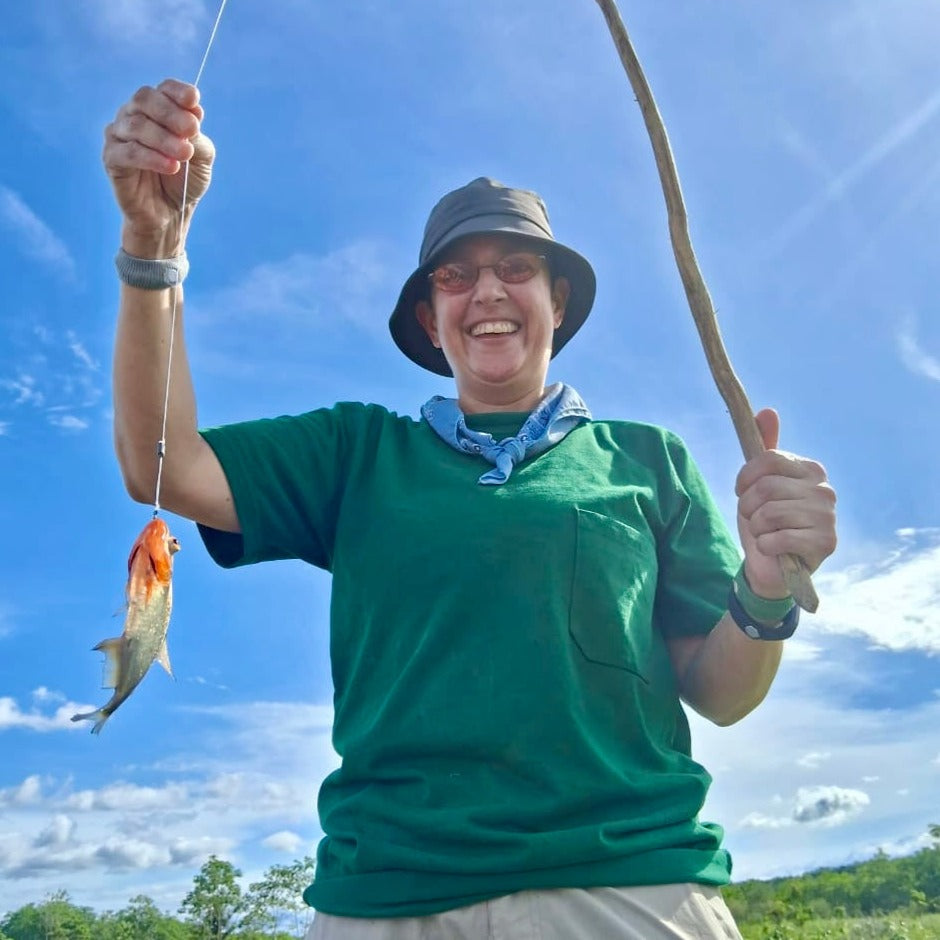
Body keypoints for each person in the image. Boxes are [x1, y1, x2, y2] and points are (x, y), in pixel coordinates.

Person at [103, 78, 837, 940]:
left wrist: (763, 584)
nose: (487, 291)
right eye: (457, 276)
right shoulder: (357, 452)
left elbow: (721, 695)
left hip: (627, 884)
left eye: (517, 269)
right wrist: (155, 245)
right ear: (431, 316)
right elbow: (164, 463)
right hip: (385, 894)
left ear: (556, 304)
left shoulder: (649, 460)